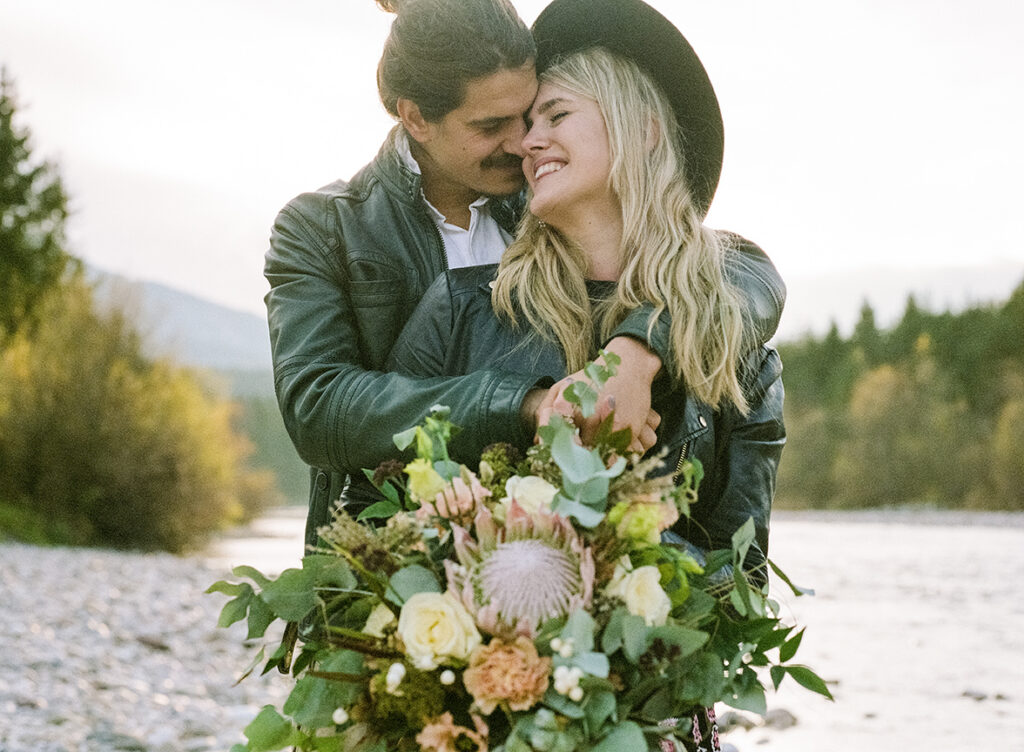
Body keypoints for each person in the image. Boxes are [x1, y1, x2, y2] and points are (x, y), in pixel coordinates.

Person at [387, 1, 786, 748]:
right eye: (523, 124)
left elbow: (742, 587)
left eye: (556, 116)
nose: (527, 143)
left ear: (643, 129)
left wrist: (611, 585)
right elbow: (384, 512)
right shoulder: (463, 310)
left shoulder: (732, 340)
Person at [264, 0, 784, 553]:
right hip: (410, 583)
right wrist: (529, 406)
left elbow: (725, 269)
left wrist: (637, 351)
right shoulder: (328, 230)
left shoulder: (544, 203)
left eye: (536, 114)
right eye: (492, 125)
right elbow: (318, 408)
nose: (522, 142)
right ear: (416, 118)